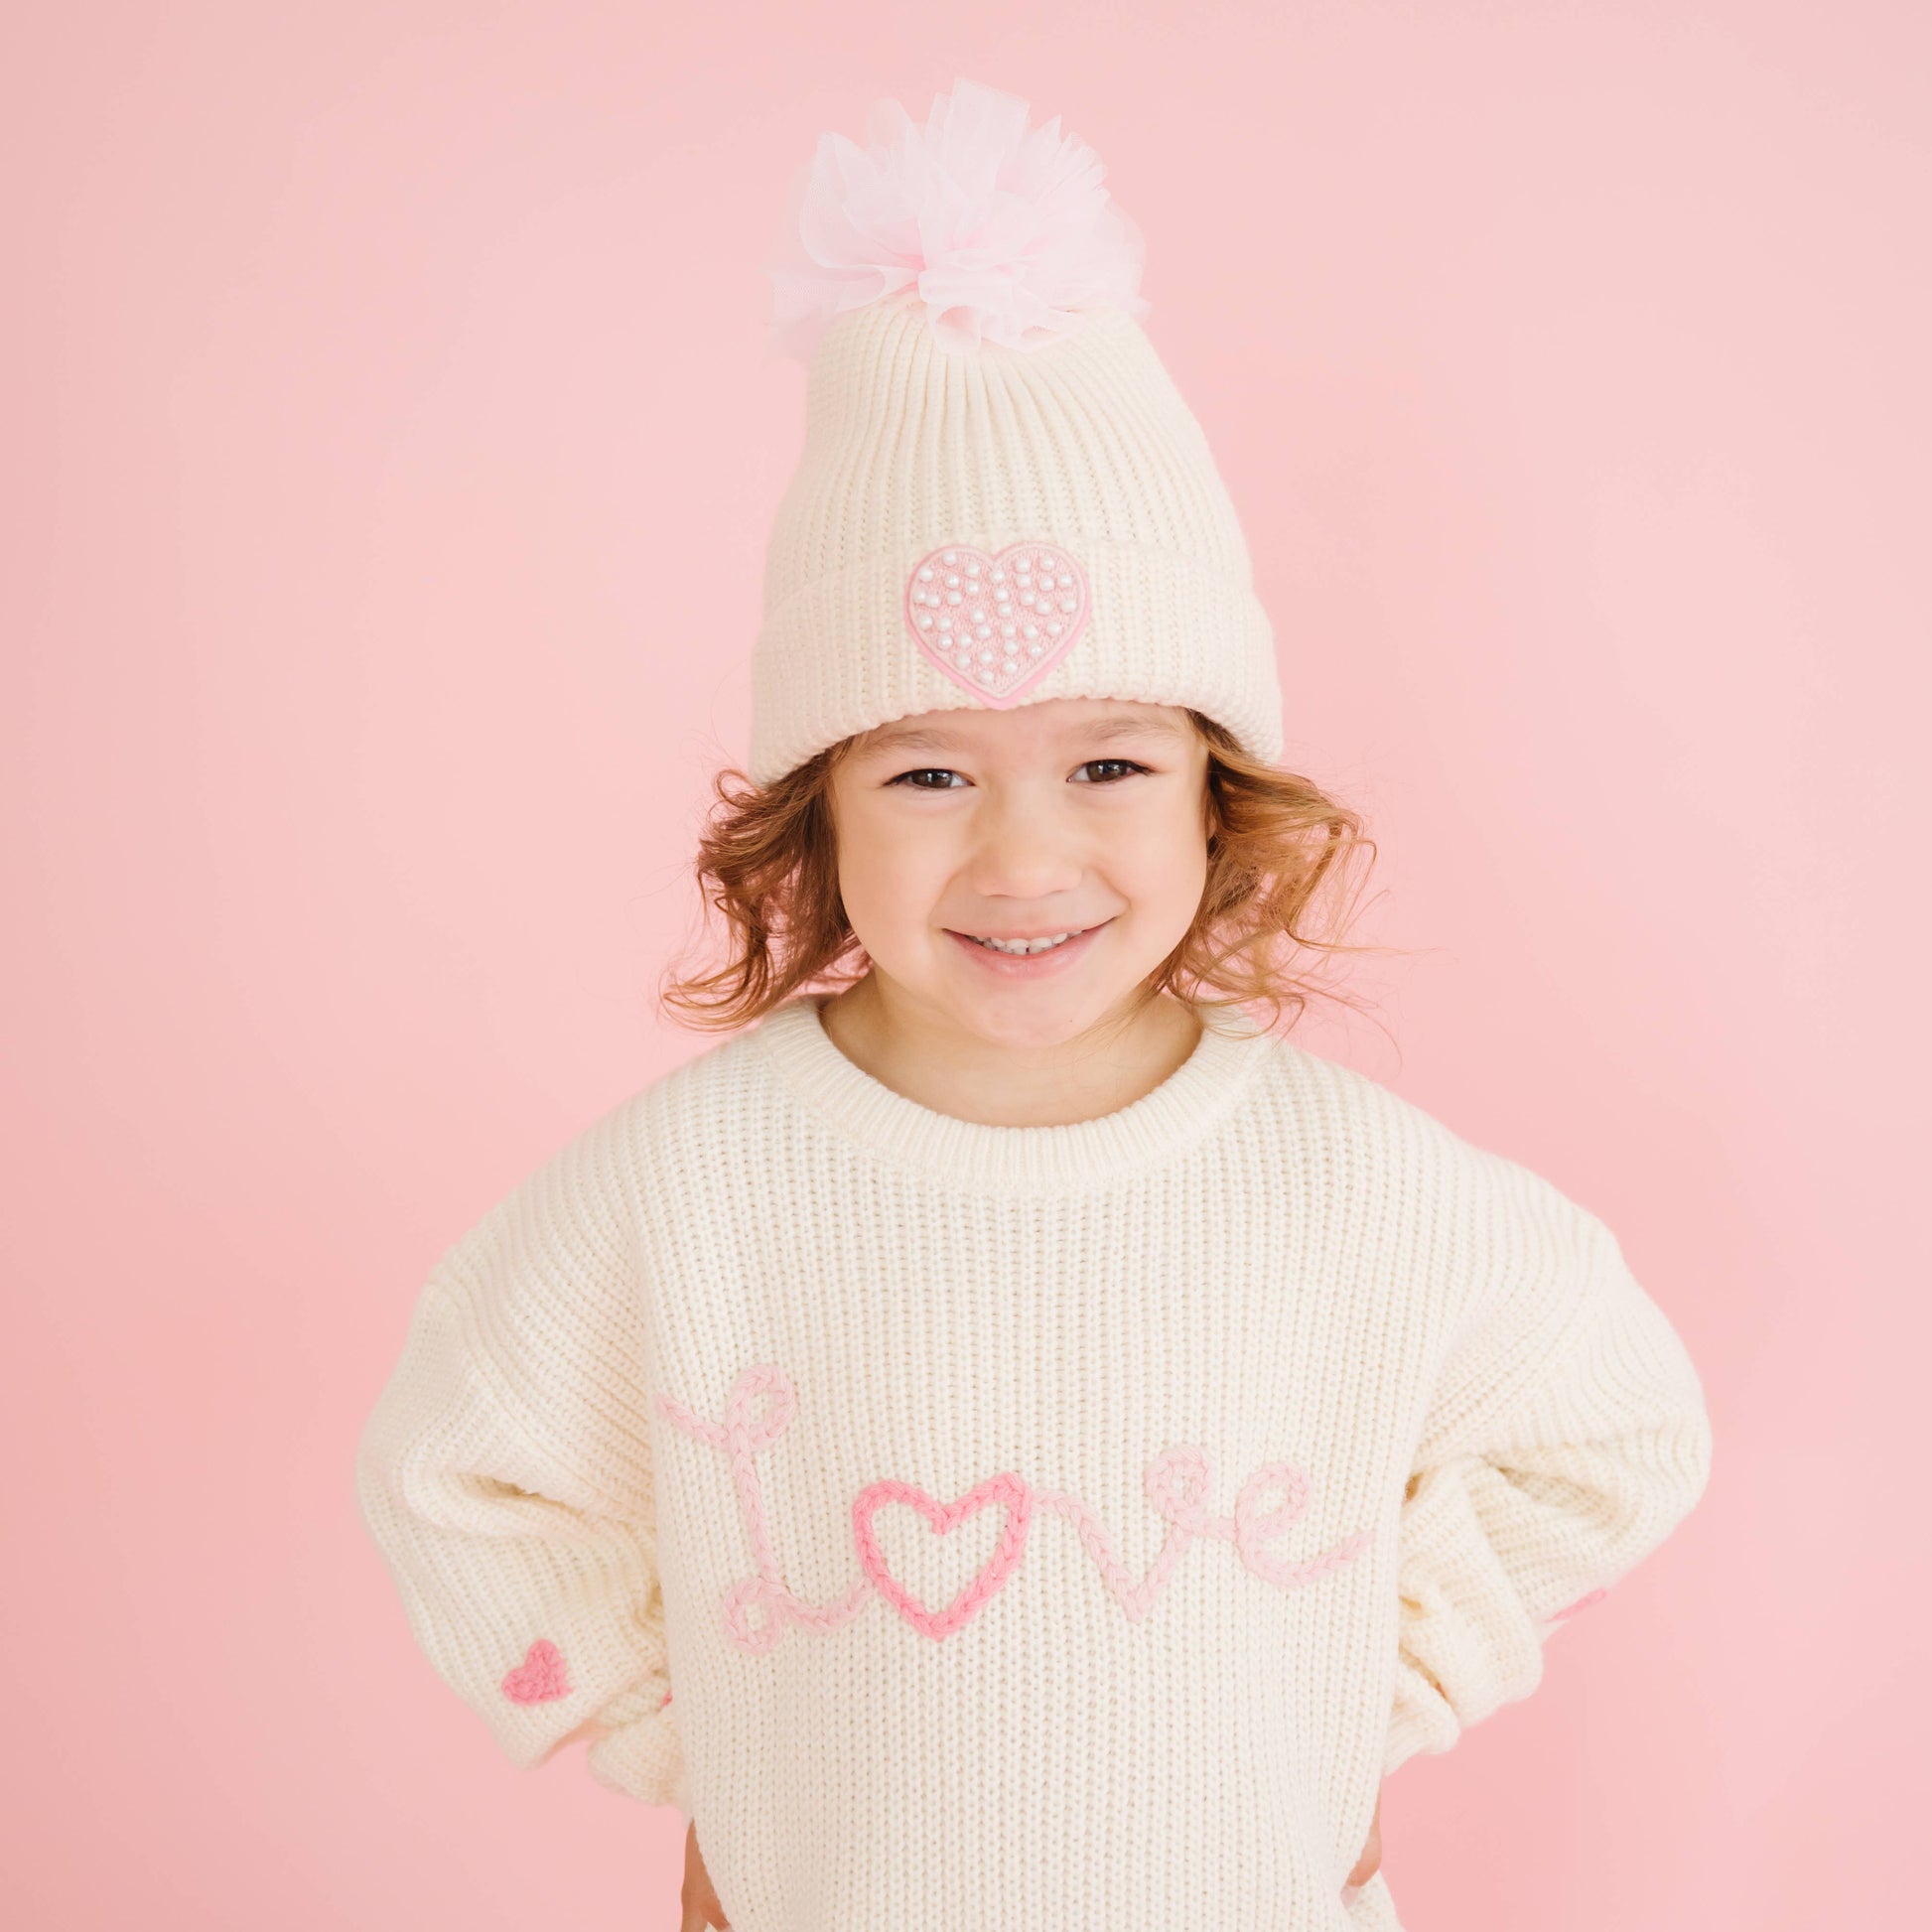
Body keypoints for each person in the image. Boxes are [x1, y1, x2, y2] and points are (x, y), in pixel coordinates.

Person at [353, 77, 1713, 1932]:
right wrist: (702, 1751)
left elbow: (1615, 1425)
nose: (1022, 858)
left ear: (1217, 790)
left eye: (1109, 766)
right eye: (927, 776)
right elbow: (460, 1468)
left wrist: (1370, 1691)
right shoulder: (689, 1190)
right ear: (811, 811)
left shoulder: (1355, 1186)